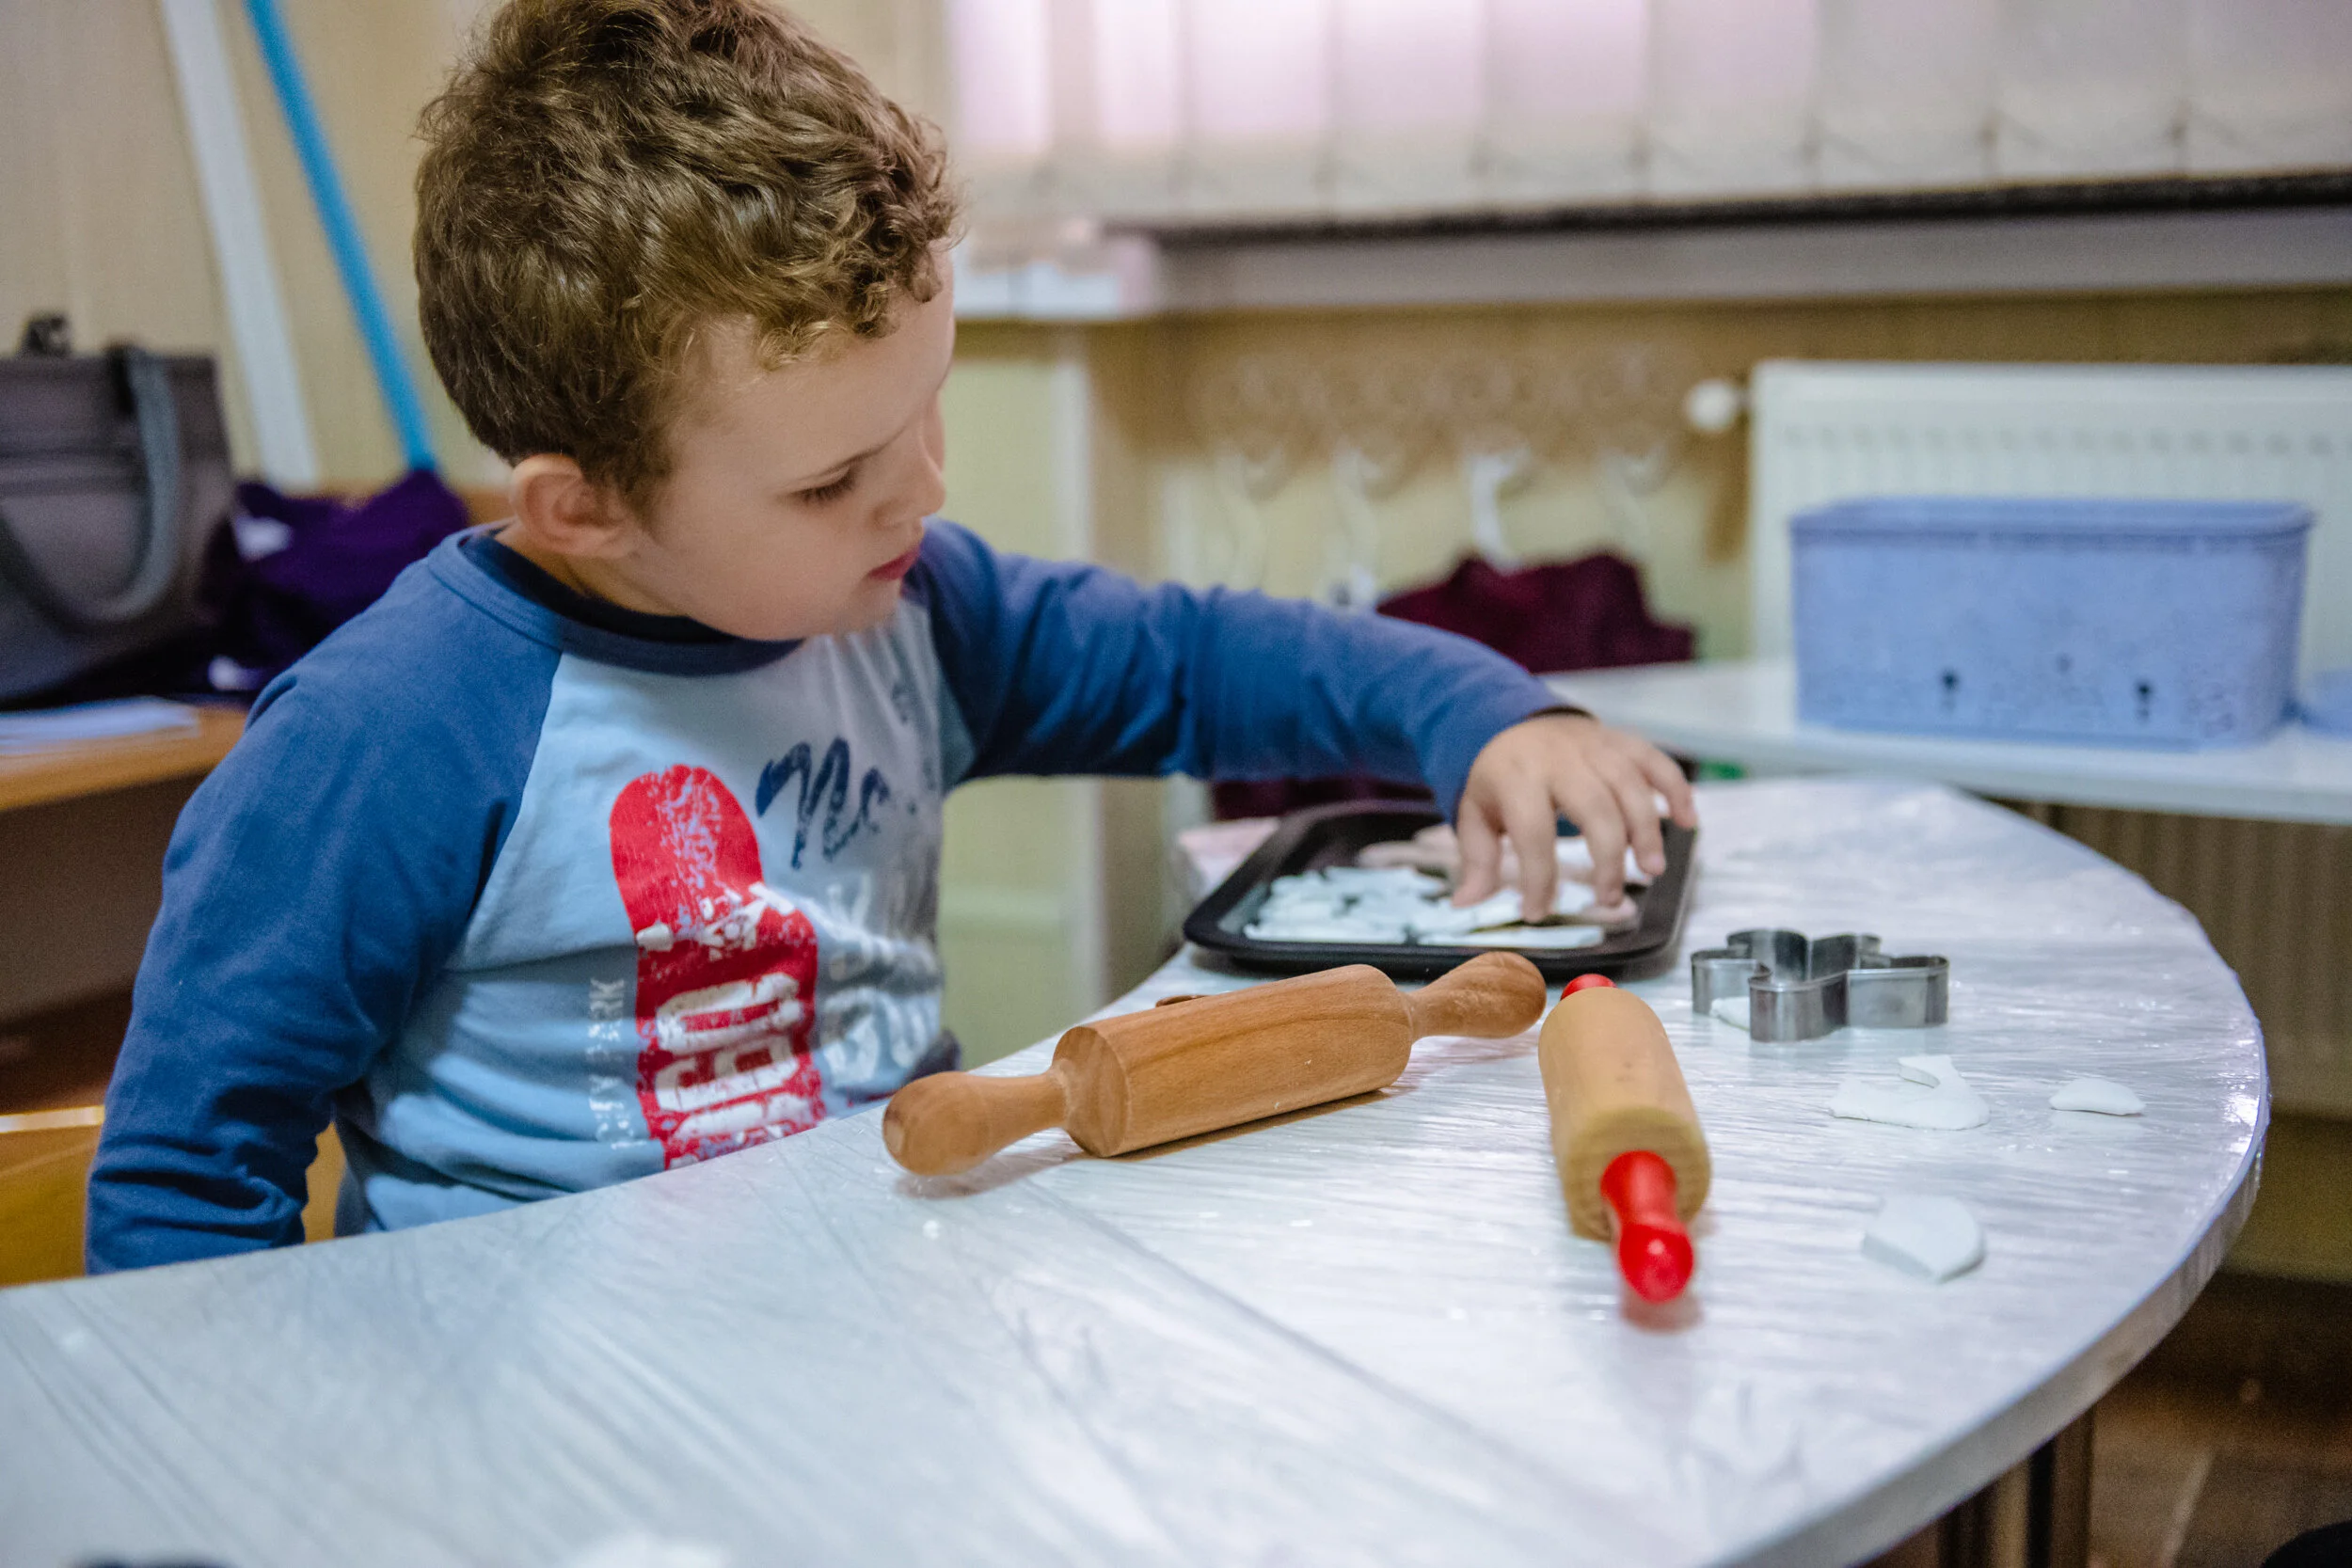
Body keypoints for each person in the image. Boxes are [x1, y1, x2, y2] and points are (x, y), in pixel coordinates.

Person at [85, 0, 1695, 1271]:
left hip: (892, 1321)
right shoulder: (397, 727)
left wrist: (1486, 713)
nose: (921, 492)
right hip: (530, 1419)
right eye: (832, 477)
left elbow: (1207, 659)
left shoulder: (917, 605)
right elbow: (184, 1174)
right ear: (584, 509)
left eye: (925, 411)